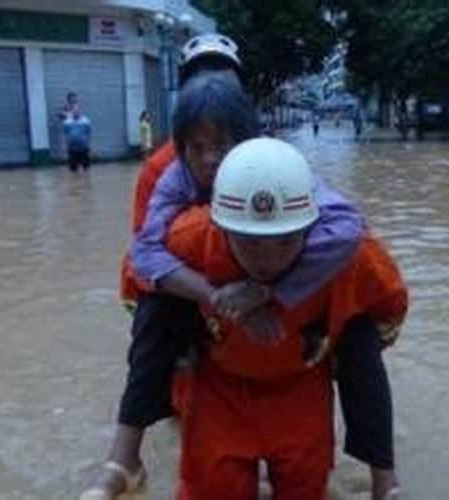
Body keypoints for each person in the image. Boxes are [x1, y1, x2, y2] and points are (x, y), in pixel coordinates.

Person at [82, 35, 400, 500]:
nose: (211, 158)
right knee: (156, 309)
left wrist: (273, 291)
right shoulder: (167, 175)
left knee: (358, 333)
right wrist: (218, 297)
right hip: (201, 294)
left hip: (289, 321)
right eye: (198, 145)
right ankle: (125, 454)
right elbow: (146, 258)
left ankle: (384, 479)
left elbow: (349, 230)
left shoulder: (276, 166)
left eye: (224, 88)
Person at [167, 137, 408, 499]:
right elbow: (142, 290)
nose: (268, 258)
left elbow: (388, 310)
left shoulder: (354, 260)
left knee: (305, 486)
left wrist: (338, 346)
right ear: (222, 230)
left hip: (302, 388)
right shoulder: (189, 242)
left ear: (312, 231)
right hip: (219, 390)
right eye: (249, 243)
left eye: (285, 241)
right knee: (212, 488)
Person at [63, 107, 92, 171]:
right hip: (71, 148)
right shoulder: (67, 122)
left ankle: (86, 179)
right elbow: (66, 134)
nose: (75, 113)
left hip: (83, 147)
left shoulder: (86, 121)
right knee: (73, 168)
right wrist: (66, 146)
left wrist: (88, 144)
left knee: (86, 167)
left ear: (80, 112)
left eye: (77, 111)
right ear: (72, 112)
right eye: (74, 111)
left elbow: (88, 133)